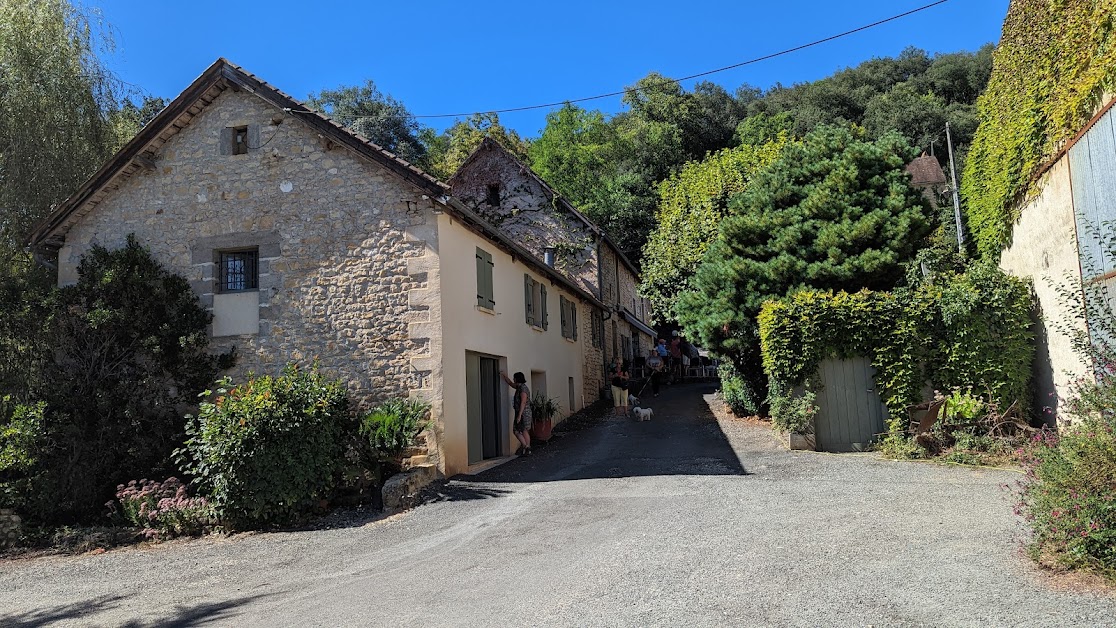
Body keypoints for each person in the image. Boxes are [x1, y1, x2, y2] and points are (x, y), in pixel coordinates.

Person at [500, 370, 532, 456]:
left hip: (523, 413)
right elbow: (510, 383)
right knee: (524, 430)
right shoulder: (519, 387)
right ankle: (527, 448)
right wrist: (504, 376)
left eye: (514, 378)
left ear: (517, 379)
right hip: (521, 412)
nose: (513, 379)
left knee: (517, 430)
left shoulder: (523, 389)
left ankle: (526, 446)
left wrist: (519, 415)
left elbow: (523, 402)